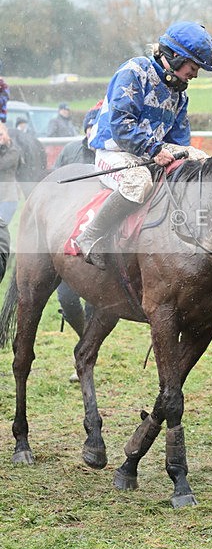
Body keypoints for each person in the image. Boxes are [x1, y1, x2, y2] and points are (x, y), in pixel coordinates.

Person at [76, 21, 212, 269]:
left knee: (200, 158)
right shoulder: (134, 71)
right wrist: (154, 150)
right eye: (193, 67)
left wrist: (183, 163)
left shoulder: (179, 93)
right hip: (115, 150)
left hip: (150, 152)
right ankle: (90, 236)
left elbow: (180, 140)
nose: (195, 75)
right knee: (139, 181)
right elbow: (121, 126)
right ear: (174, 56)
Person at [54, 107, 100, 362]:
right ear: (85, 129)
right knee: (67, 298)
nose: (94, 131)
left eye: (98, 127)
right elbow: (54, 183)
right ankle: (86, 341)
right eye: (90, 127)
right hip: (68, 231)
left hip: (97, 234)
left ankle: (88, 352)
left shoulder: (111, 154)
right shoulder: (70, 151)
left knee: (97, 300)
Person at [12, 116, 48, 197]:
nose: (23, 126)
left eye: (24, 124)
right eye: (21, 124)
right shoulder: (16, 137)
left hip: (31, 164)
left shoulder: (30, 136)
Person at [0, 123, 21, 224]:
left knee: (1, 228)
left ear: (6, 133)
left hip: (8, 198)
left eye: (1, 134)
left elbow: (2, 165)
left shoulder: (13, 151)